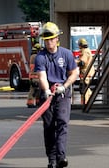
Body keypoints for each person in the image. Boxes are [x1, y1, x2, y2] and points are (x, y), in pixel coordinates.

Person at [35, 22, 78, 168]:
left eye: (51, 39)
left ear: (57, 39)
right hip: (47, 96)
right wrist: (46, 90)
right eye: (46, 39)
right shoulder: (41, 56)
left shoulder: (66, 54)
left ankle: (61, 157)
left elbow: (74, 73)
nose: (48, 42)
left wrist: (65, 86)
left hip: (62, 95)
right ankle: (51, 159)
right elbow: (41, 76)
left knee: (62, 124)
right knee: (49, 127)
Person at [77, 38, 95, 104]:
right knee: (86, 88)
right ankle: (88, 102)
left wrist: (74, 62)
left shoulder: (84, 51)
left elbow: (82, 62)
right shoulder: (87, 50)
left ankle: (86, 103)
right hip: (87, 73)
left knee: (84, 88)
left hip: (86, 73)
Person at [26, 43, 41, 108]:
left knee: (36, 90)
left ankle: (37, 102)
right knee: (34, 91)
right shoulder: (36, 57)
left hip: (33, 76)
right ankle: (30, 103)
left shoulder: (32, 56)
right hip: (35, 77)